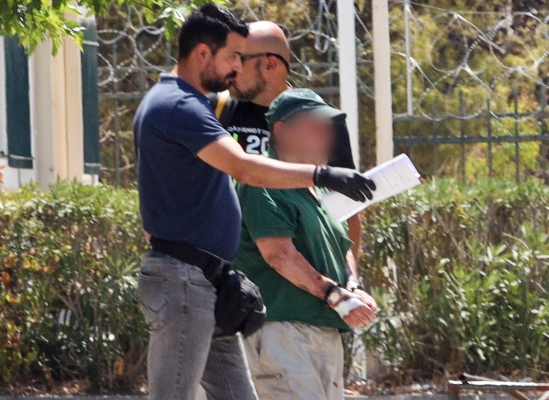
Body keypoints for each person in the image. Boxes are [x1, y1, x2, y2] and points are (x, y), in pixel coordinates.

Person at [133, 4, 376, 400]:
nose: (235, 68)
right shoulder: (179, 105)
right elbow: (244, 167)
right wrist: (322, 175)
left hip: (210, 281)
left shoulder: (189, 103)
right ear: (203, 54)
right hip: (184, 278)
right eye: (233, 56)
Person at [234, 89, 378, 400]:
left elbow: (341, 248)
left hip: (323, 327)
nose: (327, 136)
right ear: (282, 131)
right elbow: (279, 255)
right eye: (316, 128)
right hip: (280, 331)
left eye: (328, 128)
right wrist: (333, 294)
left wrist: (352, 286)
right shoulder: (262, 181)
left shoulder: (318, 189)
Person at [209, 21, 364, 259]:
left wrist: (348, 275)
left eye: (240, 59)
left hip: (297, 263)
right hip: (227, 260)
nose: (232, 68)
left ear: (270, 64)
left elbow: (347, 204)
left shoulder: (320, 119)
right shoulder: (215, 108)